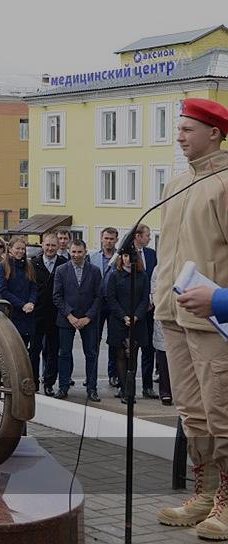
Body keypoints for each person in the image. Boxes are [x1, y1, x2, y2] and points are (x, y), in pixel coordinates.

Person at [154, 97, 228, 536]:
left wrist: (220, 299)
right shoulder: (177, 184)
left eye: (187, 129)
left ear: (215, 133)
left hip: (214, 321)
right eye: (178, 129)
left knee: (222, 414)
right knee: (193, 415)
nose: (179, 136)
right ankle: (206, 494)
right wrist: (160, 299)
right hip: (173, 316)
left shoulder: (224, 183)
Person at [52, 239, 102, 402]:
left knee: (91, 354)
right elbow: (57, 296)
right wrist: (70, 315)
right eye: (73, 252)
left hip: (88, 319)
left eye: (79, 252)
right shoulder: (61, 270)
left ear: (85, 252)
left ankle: (92, 388)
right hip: (67, 318)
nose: (76, 255)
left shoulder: (94, 271)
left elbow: (99, 297)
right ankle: (63, 386)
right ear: (69, 251)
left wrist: (88, 317)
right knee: (64, 353)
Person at [104, 252, 149, 404]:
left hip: (137, 322)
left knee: (133, 357)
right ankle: (124, 390)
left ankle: (131, 391)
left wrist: (136, 316)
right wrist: (123, 316)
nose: (127, 259)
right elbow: (111, 298)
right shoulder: (114, 275)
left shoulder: (142, 276)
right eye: (124, 256)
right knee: (121, 356)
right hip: (119, 321)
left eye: (130, 256)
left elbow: (145, 299)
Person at [0, 237, 39, 387]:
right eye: (18, 248)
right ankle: (9, 381)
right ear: (10, 249)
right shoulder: (3, 266)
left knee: (26, 351)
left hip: (28, 315)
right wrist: (22, 305)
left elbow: (34, 287)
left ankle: (25, 380)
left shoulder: (29, 266)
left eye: (23, 249)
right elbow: (3, 291)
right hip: (12, 314)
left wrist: (31, 302)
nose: (20, 251)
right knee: (12, 351)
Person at [31, 233, 68, 396]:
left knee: (53, 351)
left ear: (58, 246)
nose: (50, 248)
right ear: (42, 245)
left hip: (56, 314)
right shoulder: (33, 264)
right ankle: (33, 382)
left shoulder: (64, 264)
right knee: (34, 350)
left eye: (53, 245)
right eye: (47, 245)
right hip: (36, 314)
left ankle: (49, 383)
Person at [89, 227, 119, 388]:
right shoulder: (93, 257)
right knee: (94, 341)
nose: (108, 241)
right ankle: (91, 375)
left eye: (111, 239)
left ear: (116, 240)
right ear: (101, 239)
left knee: (114, 341)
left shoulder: (120, 257)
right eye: (106, 238)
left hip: (114, 303)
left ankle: (113, 374)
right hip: (97, 303)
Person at [133, 223, 159, 399]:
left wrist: (151, 300)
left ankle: (147, 386)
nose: (149, 238)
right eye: (147, 235)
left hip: (148, 308)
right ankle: (125, 387)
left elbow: (154, 279)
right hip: (131, 310)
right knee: (129, 350)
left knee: (148, 349)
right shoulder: (126, 253)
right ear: (138, 236)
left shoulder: (151, 254)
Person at [149, 267, 173, 405]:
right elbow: (154, 292)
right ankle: (165, 393)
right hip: (163, 317)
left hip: (182, 316)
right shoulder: (159, 269)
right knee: (163, 359)